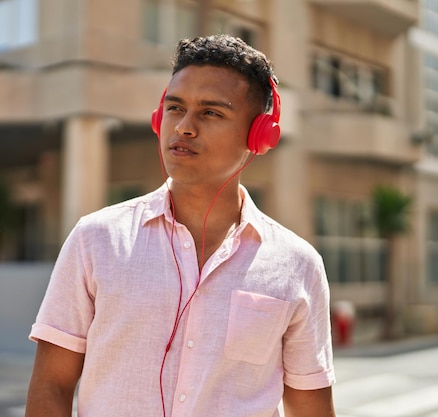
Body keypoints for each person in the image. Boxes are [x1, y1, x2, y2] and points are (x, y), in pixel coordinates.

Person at [26, 34, 336, 417]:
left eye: (211, 113)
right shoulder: (96, 240)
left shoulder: (298, 264)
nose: (184, 128)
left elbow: (310, 408)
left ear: (259, 135)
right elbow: (51, 386)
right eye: (175, 108)